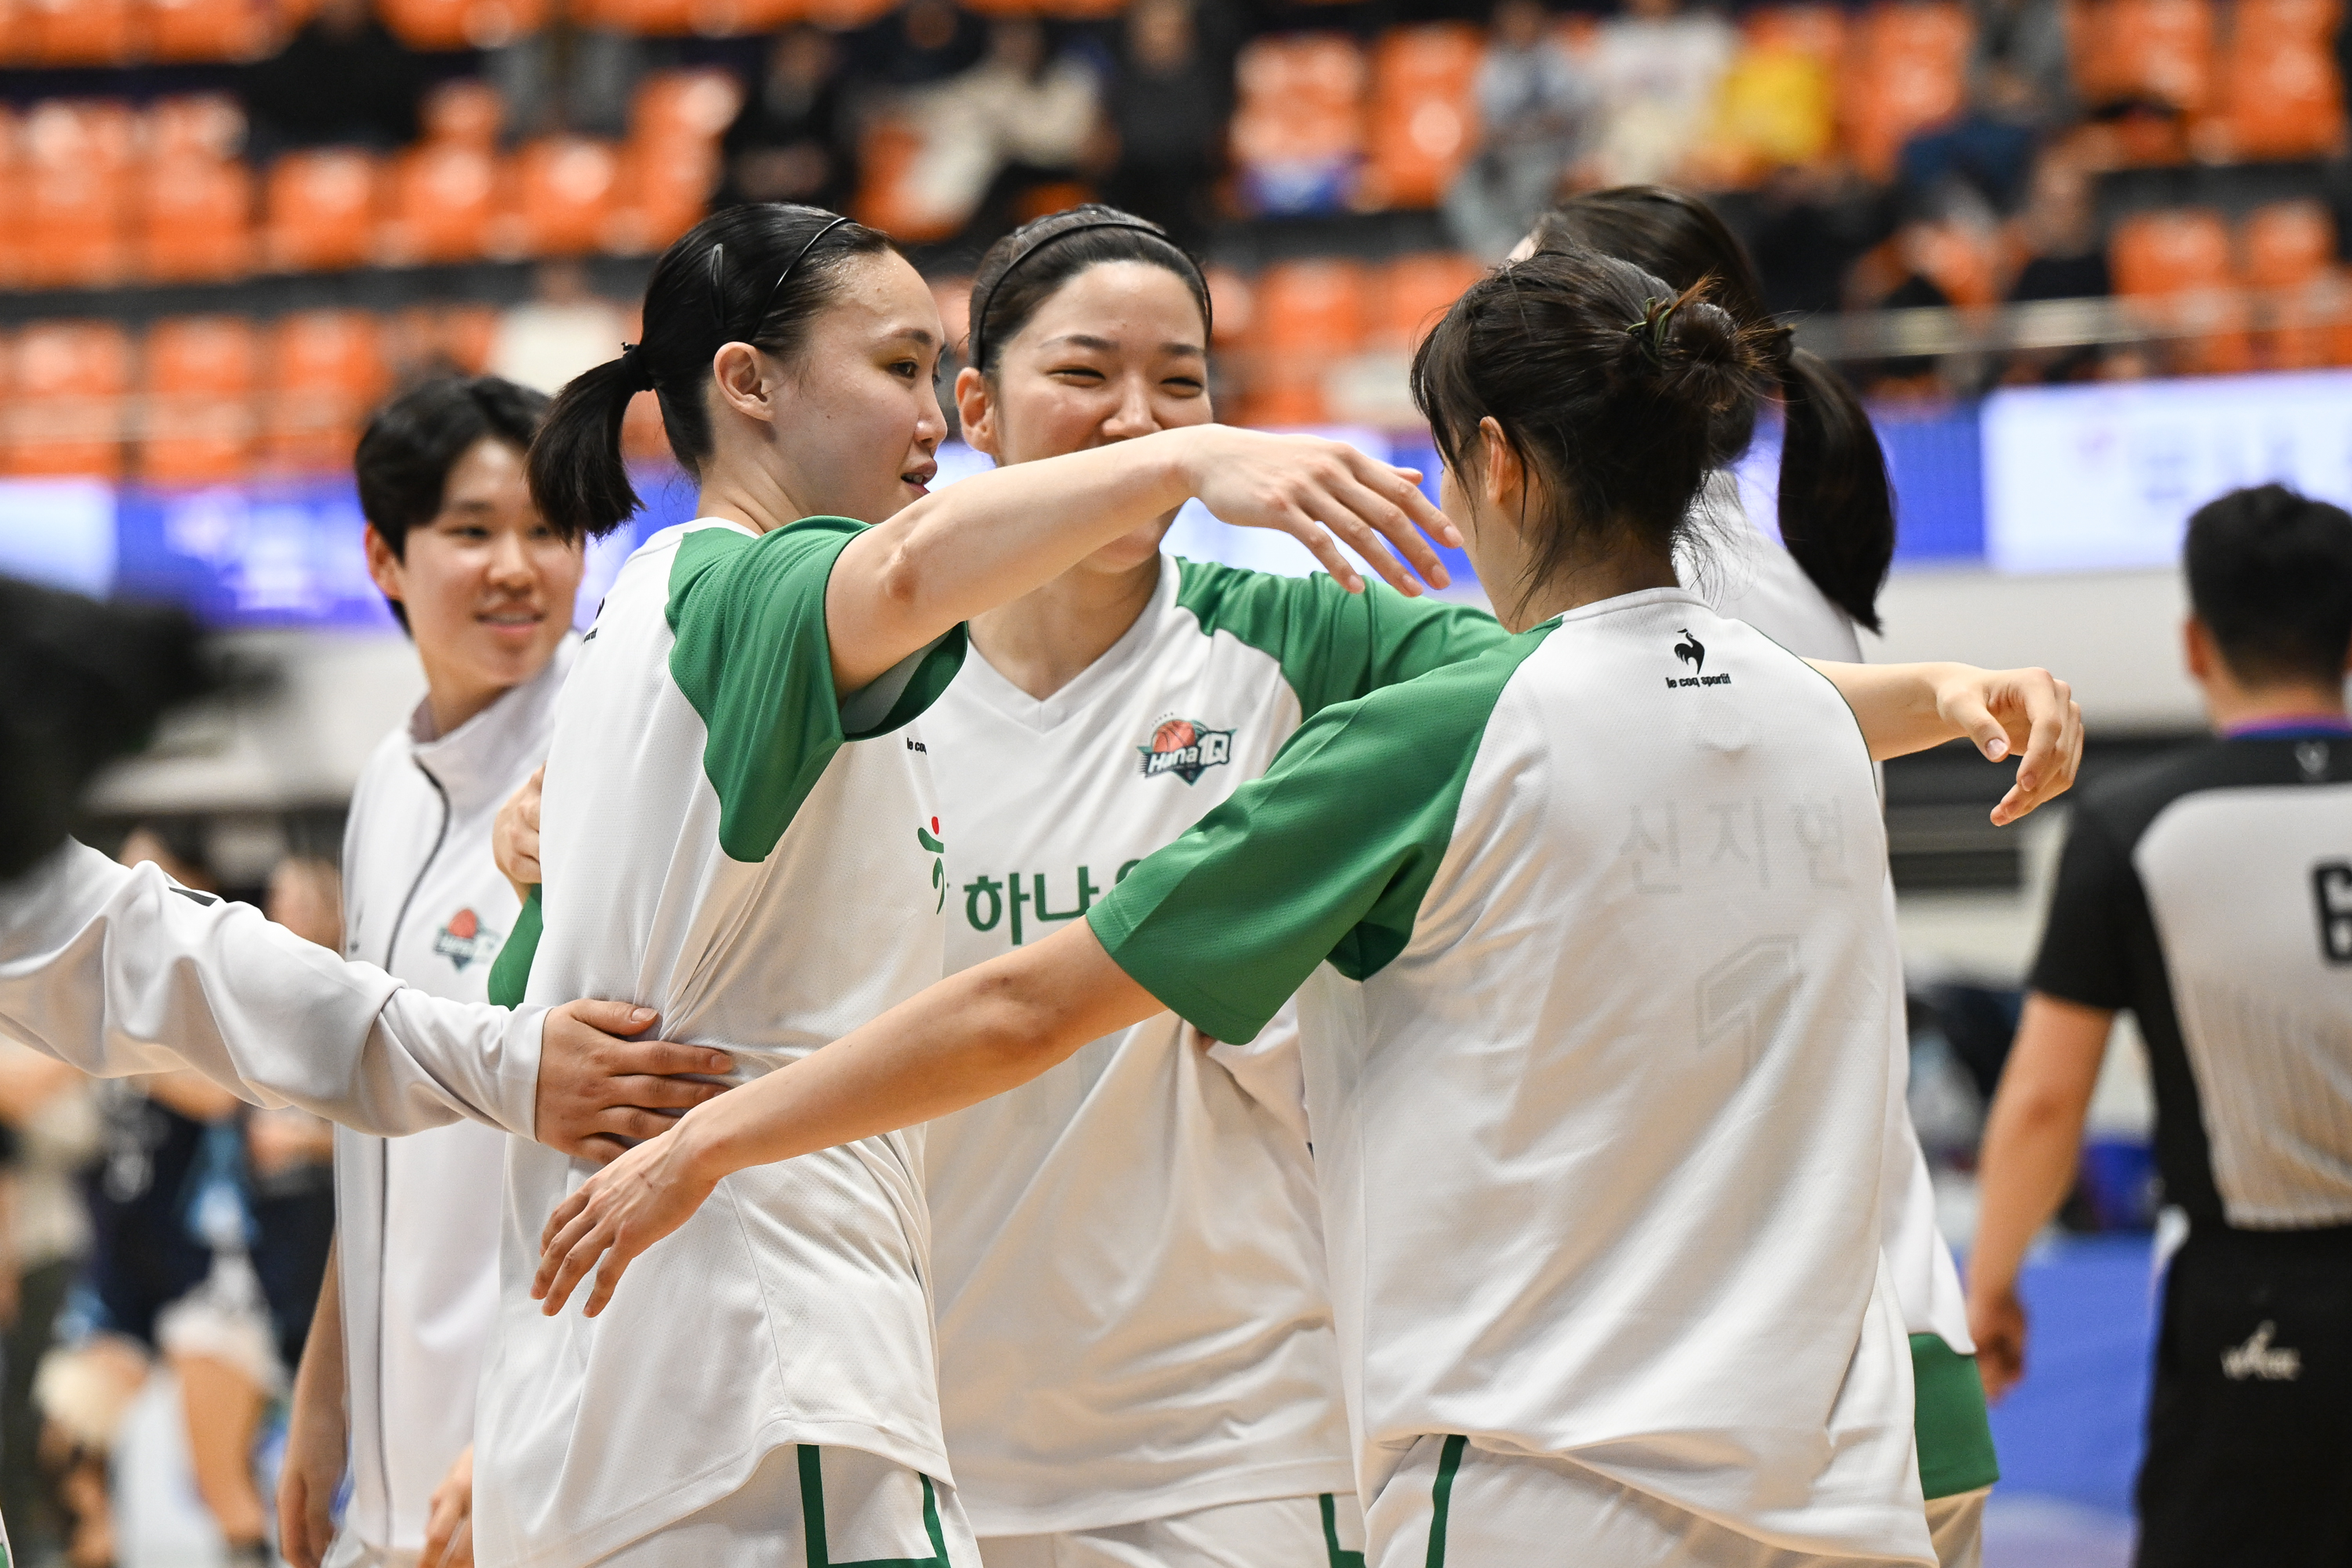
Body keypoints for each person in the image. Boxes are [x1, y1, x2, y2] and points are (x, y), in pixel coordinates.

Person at [535, 245, 2083, 1568]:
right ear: (979, 411)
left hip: (1306, 1444)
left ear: (1495, 465)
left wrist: (711, 1134)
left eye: (1186, 385)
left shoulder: (1335, 665)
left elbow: (1027, 1003)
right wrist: (1948, 695)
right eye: (1091, 375)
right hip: (956, 1405)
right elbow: (1655, 700)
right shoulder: (1776, 714)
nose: (1144, 417)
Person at [475, 198, 1465, 1568]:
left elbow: (517, 1028)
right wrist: (1192, 459)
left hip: (1194, 1433)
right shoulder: (784, 607)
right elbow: (914, 569)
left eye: (1183, 385)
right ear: (748, 383)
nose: (927, 416)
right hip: (781, 1392)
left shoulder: (652, 634)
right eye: (899, 373)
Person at [1532, 185, 2001, 1567]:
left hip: (1792, 1345)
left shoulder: (1697, 591)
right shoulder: (1732, 558)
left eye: (1515, 306)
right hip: (1797, 1317)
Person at [1969, 484, 2352, 1568]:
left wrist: (1992, 1287)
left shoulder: (2138, 826)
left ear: (2194, 642)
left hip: (2257, 1305)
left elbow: (2048, 1097)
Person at [278, 376, 615, 1568]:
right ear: (385, 556)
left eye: (549, 529)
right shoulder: (386, 779)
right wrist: (323, 1401)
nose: (519, 567)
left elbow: (641, 1135)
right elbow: (375, 1110)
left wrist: (519, 1430)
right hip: (397, 1483)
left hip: (539, 1470)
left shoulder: (615, 752)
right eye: (473, 531)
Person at [1443, 0, 1595, 261]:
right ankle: (1493, 252)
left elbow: (1569, 116)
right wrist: (1518, 132)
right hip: (1508, 154)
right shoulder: (1493, 64)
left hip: (1554, 153)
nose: (1520, 26)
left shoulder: (1558, 58)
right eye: (1513, 20)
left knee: (1533, 179)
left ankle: (1534, 251)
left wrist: (1528, 129)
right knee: (1462, 184)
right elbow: (1488, 125)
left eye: (1526, 19)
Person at [242, 0, 425, 158]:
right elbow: (273, 108)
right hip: (302, 148)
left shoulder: (392, 53)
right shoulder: (293, 51)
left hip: (373, 152)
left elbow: (405, 122)